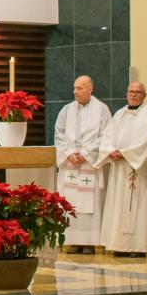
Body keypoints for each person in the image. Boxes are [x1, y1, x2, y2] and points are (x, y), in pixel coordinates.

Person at [98, 81, 147, 258]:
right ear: (127, 94)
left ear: (144, 95)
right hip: (119, 169)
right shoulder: (119, 114)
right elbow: (107, 136)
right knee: (119, 205)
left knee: (137, 205)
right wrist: (111, 151)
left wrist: (126, 153)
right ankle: (119, 244)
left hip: (137, 169)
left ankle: (137, 247)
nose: (134, 95)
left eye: (138, 92)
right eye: (131, 91)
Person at [53, 75, 111, 253]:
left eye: (79, 88)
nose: (75, 92)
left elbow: (106, 135)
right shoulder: (66, 110)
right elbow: (59, 135)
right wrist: (69, 153)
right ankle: (74, 240)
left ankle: (90, 242)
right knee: (71, 201)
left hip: (89, 165)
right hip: (71, 164)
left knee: (89, 203)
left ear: (90, 89)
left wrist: (85, 154)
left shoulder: (102, 110)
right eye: (74, 88)